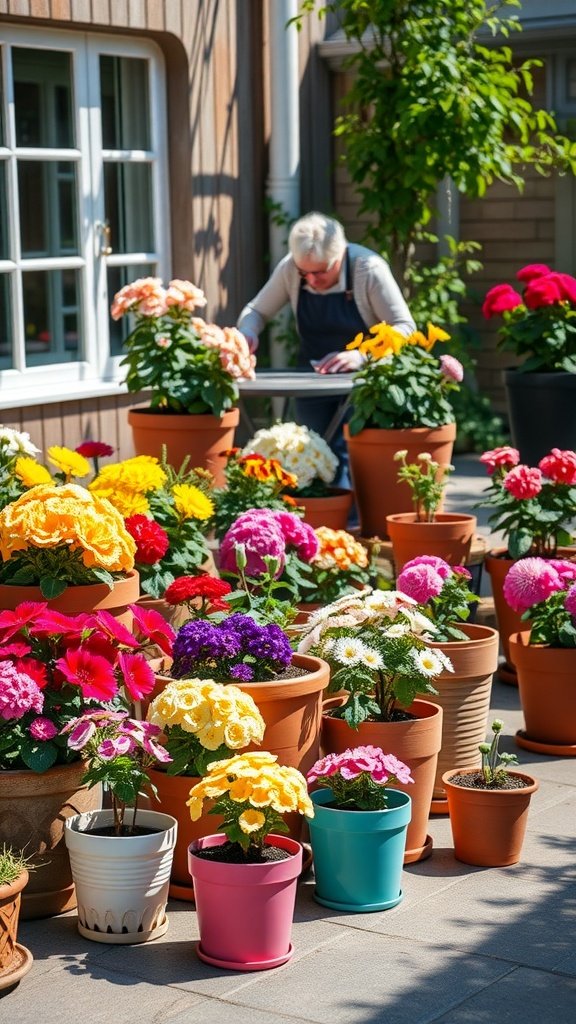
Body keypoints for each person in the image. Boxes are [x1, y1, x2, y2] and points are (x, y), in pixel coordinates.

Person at [237, 212, 416, 485]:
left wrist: (361, 355)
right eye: (303, 272)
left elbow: (404, 327)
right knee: (311, 458)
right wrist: (247, 332)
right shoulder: (290, 270)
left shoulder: (367, 269)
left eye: (320, 271)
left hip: (365, 384)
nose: (310, 280)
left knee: (355, 461)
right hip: (311, 380)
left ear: (340, 254)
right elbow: (256, 311)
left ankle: (356, 525)